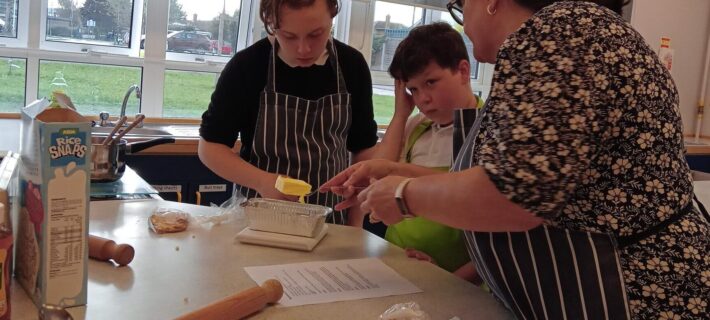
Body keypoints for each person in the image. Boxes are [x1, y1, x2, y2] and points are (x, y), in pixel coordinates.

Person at [321, 0, 710, 319]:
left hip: (632, 293)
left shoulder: (561, 33)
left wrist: (404, 194)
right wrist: (393, 173)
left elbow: (513, 195)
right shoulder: (570, 37)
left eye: (461, 6)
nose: (465, 23)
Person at [199, 0, 398, 224]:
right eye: (289, 36)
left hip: (331, 223)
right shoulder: (248, 66)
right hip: (258, 222)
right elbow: (210, 148)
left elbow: (363, 151)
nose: (303, 49)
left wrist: (355, 229)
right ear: (270, 23)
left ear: (332, 16)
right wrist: (263, 181)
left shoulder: (351, 65)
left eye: (316, 34)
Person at [357, 22, 483, 281]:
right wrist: (401, 114)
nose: (423, 98)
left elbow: (489, 221)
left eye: (431, 82)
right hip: (395, 263)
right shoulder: (416, 126)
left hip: (453, 278)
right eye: (413, 89)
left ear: (463, 71)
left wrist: (451, 279)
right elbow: (378, 176)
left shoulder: (486, 130)